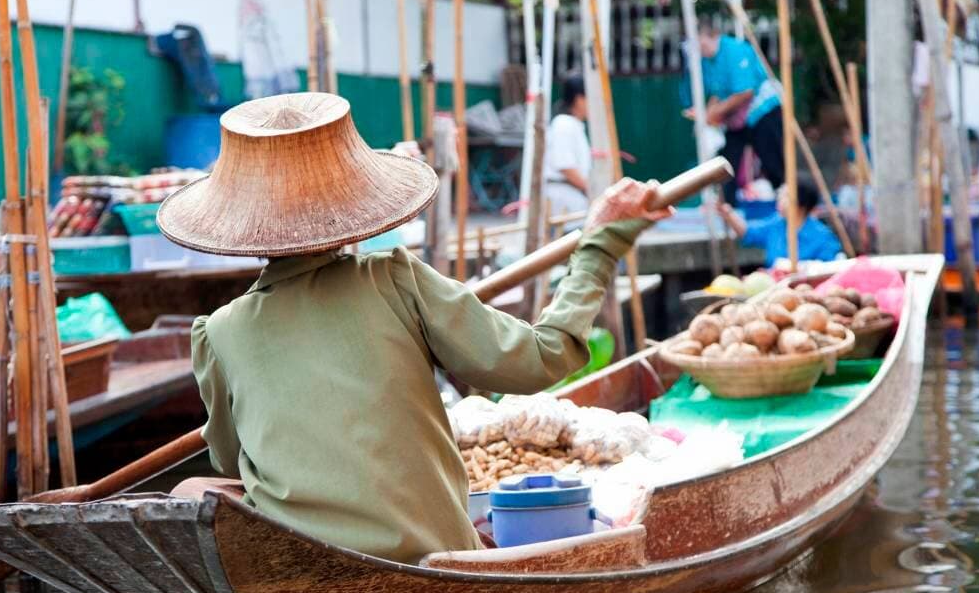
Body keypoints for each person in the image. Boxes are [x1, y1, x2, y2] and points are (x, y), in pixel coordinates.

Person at [158, 92, 674, 564]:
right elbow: (543, 357)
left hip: (303, 562)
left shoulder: (219, 332)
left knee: (192, 491)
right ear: (352, 202)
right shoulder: (395, 278)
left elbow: (229, 458)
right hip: (432, 555)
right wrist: (599, 245)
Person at [683, 19, 784, 203]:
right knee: (727, 163)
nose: (698, 47)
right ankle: (727, 207)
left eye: (700, 42)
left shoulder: (735, 50)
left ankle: (787, 201)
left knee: (773, 160)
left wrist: (712, 113)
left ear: (712, 36)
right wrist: (707, 113)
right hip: (736, 117)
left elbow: (745, 92)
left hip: (762, 111)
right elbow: (717, 92)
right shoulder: (707, 61)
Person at [716, 177, 842, 267]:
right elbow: (748, 232)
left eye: (785, 196)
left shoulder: (823, 237)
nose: (780, 199)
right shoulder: (776, 223)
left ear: (801, 205)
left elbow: (830, 268)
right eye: (780, 194)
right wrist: (729, 214)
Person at [544, 74, 593, 217]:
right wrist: (592, 191)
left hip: (572, 198)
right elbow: (566, 166)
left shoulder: (574, 125)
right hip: (564, 200)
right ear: (579, 99)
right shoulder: (563, 124)